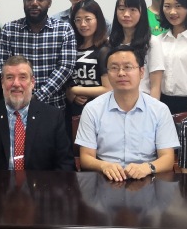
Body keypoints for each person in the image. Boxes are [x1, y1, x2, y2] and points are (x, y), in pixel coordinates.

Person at [75, 45, 179, 181]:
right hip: (106, 179)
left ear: (141, 72)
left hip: (147, 179)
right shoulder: (92, 109)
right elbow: (86, 157)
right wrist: (104, 165)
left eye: (128, 67)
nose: (121, 73)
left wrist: (147, 167)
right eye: (114, 68)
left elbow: (168, 158)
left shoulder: (160, 110)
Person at [0, 55, 75, 171]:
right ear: (2, 82)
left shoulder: (53, 117)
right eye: (10, 77)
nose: (16, 84)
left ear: (32, 82)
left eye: (22, 77)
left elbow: (65, 164)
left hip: (40, 182)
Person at [0, 0, 76, 112]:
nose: (34, 3)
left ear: (49, 3)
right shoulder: (9, 29)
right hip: (16, 106)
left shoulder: (64, 29)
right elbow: (3, 66)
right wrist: (22, 94)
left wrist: (37, 97)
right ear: (23, 1)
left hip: (53, 107)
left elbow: (65, 67)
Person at [108, 0, 163, 99]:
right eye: (121, 9)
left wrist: (153, 107)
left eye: (133, 10)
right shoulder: (110, 42)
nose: (126, 14)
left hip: (143, 100)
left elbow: (156, 85)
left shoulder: (151, 42)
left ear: (142, 13)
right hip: (115, 100)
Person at [66, 0, 110, 130]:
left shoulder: (105, 49)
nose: (83, 24)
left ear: (98, 20)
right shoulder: (71, 47)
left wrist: (75, 90)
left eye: (88, 19)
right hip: (73, 112)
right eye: (78, 20)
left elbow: (108, 89)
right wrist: (70, 94)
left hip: (100, 112)